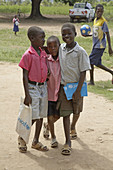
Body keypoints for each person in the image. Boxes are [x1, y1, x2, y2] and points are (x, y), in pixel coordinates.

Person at [58, 23, 91, 155]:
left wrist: (77, 91)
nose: (66, 36)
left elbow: (83, 72)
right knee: (66, 113)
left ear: (75, 34)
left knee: (76, 111)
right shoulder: (61, 48)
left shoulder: (81, 52)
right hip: (64, 87)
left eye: (69, 33)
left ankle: (73, 126)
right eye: (63, 34)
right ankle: (67, 142)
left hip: (77, 87)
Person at [18, 26, 49, 153]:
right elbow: (25, 75)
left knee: (41, 115)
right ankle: (22, 137)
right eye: (41, 37)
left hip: (43, 87)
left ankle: (36, 141)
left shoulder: (43, 52)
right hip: (32, 88)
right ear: (32, 38)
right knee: (34, 116)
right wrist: (27, 94)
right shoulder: (28, 55)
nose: (44, 40)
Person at [43, 36, 61, 148]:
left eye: (55, 46)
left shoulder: (63, 59)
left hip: (59, 94)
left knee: (57, 116)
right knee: (50, 116)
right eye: (50, 47)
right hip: (48, 94)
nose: (53, 48)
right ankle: (53, 137)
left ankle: (48, 126)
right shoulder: (45, 59)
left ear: (59, 46)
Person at [88, 4, 113, 85]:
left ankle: (91, 81)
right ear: (95, 11)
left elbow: (107, 34)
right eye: (98, 11)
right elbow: (96, 33)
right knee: (97, 63)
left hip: (100, 46)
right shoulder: (95, 20)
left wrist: (110, 47)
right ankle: (112, 72)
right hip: (95, 45)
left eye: (101, 11)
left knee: (90, 61)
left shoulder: (103, 22)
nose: (100, 13)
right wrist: (87, 35)